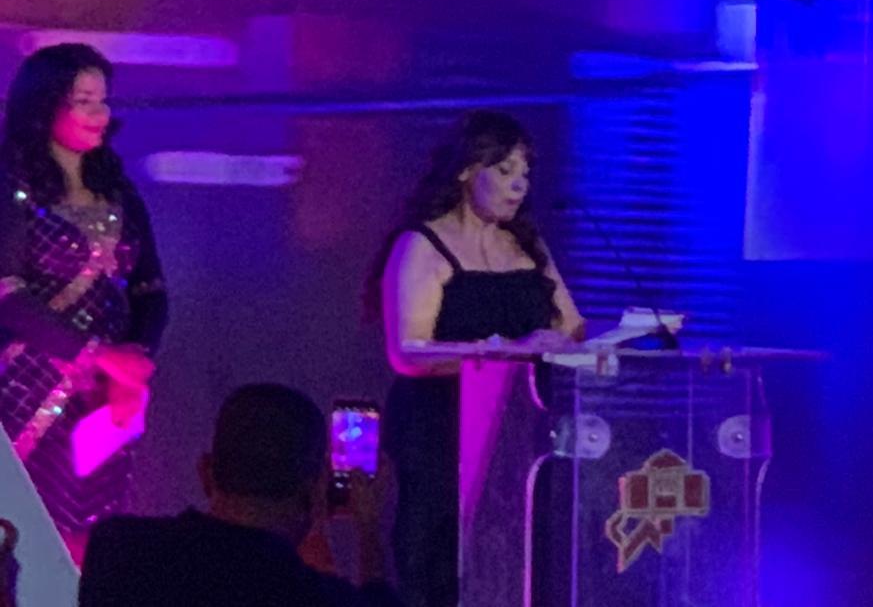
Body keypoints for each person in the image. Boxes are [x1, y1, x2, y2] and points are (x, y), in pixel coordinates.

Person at [366, 110, 585, 607]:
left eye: (525, 173)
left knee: (525, 565)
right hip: (442, 436)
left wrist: (597, 345)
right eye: (505, 171)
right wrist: (507, 353)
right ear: (467, 170)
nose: (519, 185)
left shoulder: (528, 246)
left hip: (520, 436)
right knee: (443, 569)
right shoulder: (422, 245)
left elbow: (571, 328)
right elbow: (407, 353)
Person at [0, 43, 167, 560]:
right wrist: (97, 354)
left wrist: (135, 359)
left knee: (94, 529)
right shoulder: (12, 189)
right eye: (84, 101)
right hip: (25, 388)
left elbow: (151, 290)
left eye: (103, 100)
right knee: (25, 528)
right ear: (45, 105)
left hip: (103, 396)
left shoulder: (119, 191)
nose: (100, 113)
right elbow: (7, 295)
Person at [78, 383, 401, 607]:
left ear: (206, 472)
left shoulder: (116, 548)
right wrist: (368, 530)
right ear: (316, 488)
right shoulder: (311, 595)